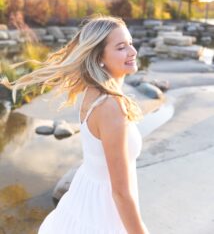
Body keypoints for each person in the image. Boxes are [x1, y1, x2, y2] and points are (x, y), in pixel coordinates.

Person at [1, 15, 150, 234]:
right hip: (104, 210)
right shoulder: (110, 106)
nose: (133, 52)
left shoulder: (93, 93)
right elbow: (120, 191)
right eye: (121, 47)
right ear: (99, 56)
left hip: (87, 195)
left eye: (130, 43)